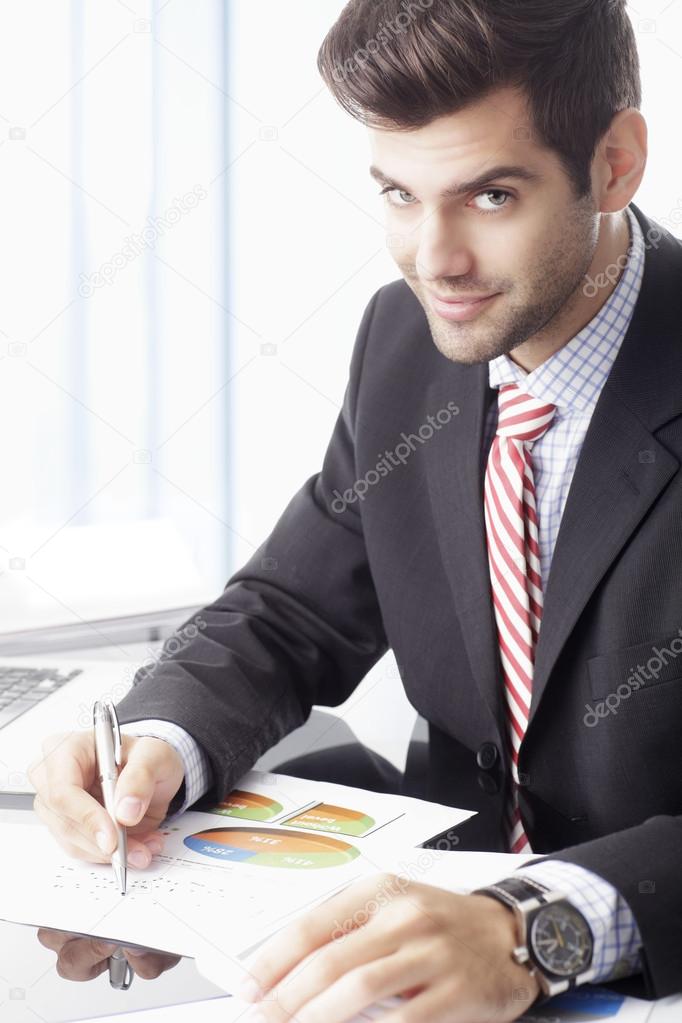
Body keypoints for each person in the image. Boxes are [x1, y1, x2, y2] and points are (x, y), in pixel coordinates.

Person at [29, 0, 682, 1018]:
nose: (434, 259)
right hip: (410, 949)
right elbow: (294, 610)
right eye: (397, 195)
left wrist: (536, 929)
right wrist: (163, 738)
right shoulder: (408, 340)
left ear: (614, 162)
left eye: (491, 196)